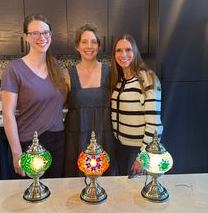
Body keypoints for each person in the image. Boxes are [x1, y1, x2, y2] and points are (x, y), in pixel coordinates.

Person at [1, 14, 66, 178]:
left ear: (50, 35)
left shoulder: (56, 66)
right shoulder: (14, 69)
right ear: (26, 37)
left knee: (55, 192)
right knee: (32, 196)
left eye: (45, 32)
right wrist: (16, 153)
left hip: (57, 141)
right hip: (29, 143)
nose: (41, 37)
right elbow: (8, 114)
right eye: (35, 33)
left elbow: (60, 100)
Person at [63, 23, 116, 177]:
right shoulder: (67, 73)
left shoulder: (109, 72)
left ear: (99, 46)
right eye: (84, 42)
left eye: (93, 42)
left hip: (104, 136)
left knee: (105, 186)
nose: (89, 46)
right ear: (77, 46)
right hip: (76, 137)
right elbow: (61, 102)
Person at [110, 34, 163, 176]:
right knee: (124, 190)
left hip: (137, 149)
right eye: (118, 51)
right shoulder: (120, 81)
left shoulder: (146, 78)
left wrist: (143, 156)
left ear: (135, 52)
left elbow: (155, 125)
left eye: (128, 50)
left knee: (134, 193)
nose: (123, 55)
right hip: (120, 147)